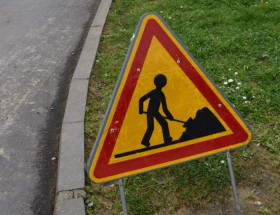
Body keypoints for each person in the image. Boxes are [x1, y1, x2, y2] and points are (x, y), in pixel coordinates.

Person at [139, 74, 174, 147]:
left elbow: (164, 108)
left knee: (164, 123)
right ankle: (145, 141)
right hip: (150, 112)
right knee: (151, 127)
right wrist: (141, 110)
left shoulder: (161, 94)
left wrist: (170, 116)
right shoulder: (153, 93)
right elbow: (141, 99)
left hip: (155, 112)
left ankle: (167, 139)